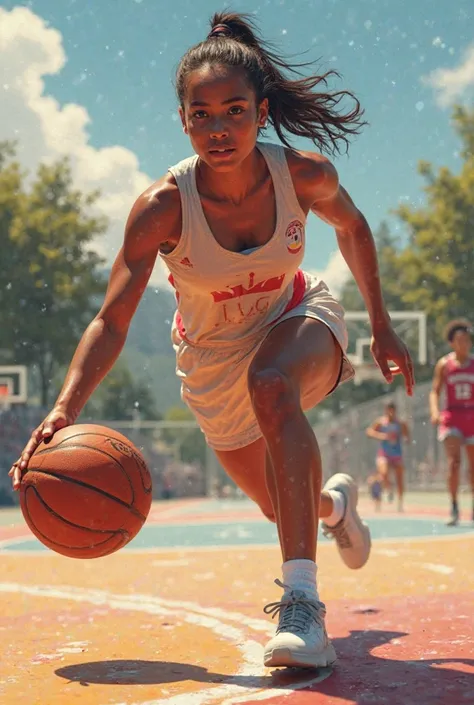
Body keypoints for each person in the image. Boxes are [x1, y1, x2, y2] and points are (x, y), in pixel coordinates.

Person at [9, 12, 414, 669]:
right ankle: (334, 505)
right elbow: (112, 319)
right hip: (210, 363)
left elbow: (355, 226)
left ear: (260, 112)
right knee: (285, 505)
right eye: (202, 114)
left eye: (233, 110)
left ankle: (302, 606)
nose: (219, 128)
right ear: (182, 120)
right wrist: (63, 409)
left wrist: (384, 324)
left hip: (297, 316)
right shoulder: (162, 206)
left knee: (274, 383)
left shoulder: (302, 175)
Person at [430, 319, 474, 526]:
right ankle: (455, 506)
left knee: (472, 467)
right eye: (460, 340)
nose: (464, 344)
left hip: (471, 416)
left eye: (467, 340)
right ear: (452, 343)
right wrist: (434, 411)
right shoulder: (444, 365)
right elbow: (435, 390)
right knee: (454, 463)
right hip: (452, 417)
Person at [366, 402, 410, 512]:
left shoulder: (400, 423)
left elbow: (407, 435)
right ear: (386, 410)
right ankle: (389, 489)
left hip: (396, 454)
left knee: (400, 477)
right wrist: (382, 436)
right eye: (389, 410)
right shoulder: (381, 422)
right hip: (384, 454)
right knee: (384, 473)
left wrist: (405, 438)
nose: (391, 413)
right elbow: (369, 431)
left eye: (393, 410)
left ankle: (400, 503)